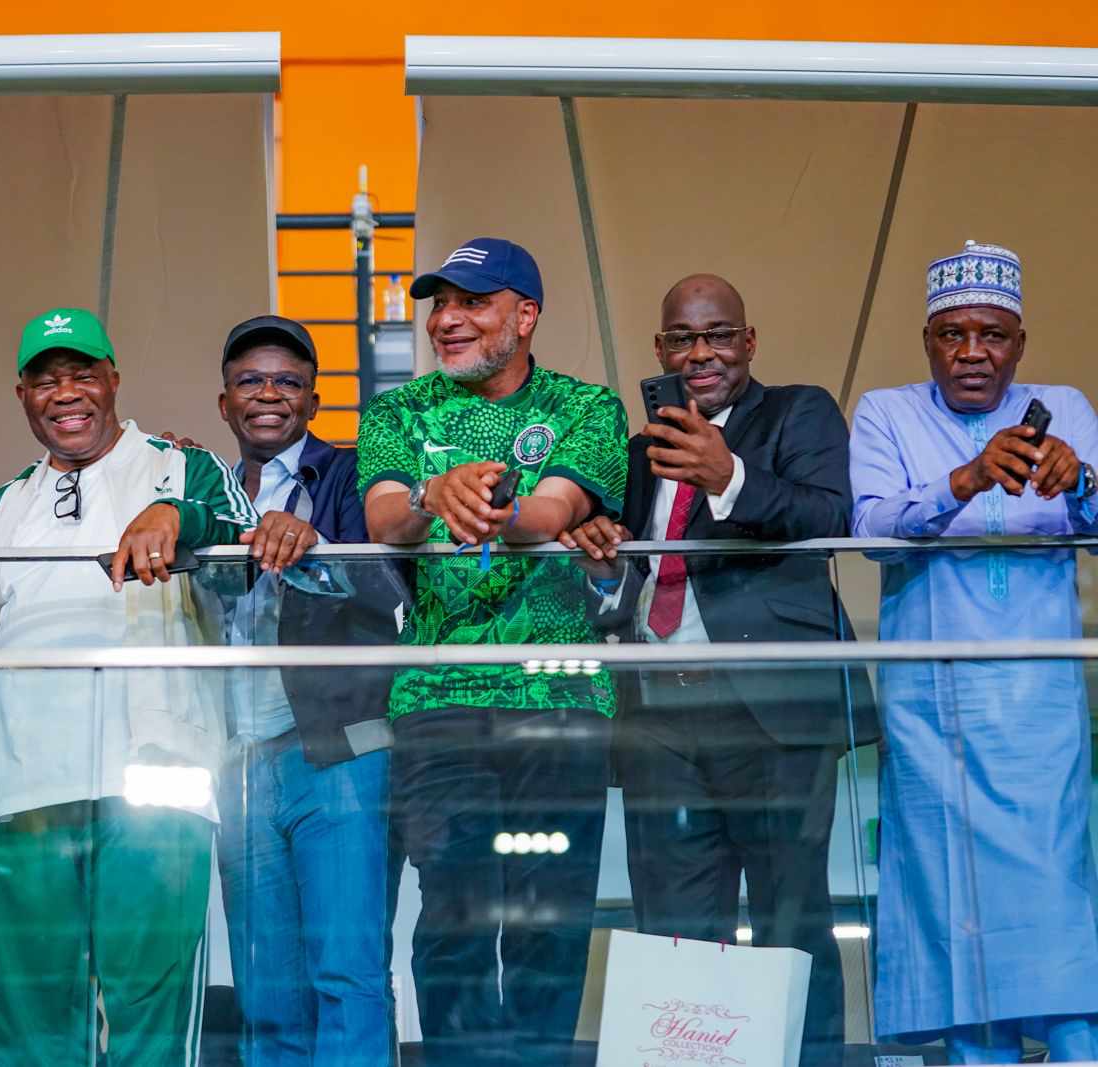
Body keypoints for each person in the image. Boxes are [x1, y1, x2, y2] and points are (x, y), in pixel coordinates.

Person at [563, 274, 878, 1067]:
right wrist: (603, 566)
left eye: (718, 335)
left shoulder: (799, 412)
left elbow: (829, 514)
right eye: (682, 338)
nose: (701, 353)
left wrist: (727, 474)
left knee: (791, 918)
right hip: (658, 715)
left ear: (749, 342)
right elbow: (629, 577)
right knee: (672, 930)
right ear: (660, 349)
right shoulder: (641, 451)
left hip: (773, 707)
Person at [355, 237, 627, 1065]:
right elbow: (383, 520)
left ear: (525, 314)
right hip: (437, 703)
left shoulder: (587, 406)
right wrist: (431, 493)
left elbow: (554, 511)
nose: (448, 319)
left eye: (472, 302)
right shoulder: (397, 413)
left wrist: (497, 509)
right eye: (440, 304)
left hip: (558, 696)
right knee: (453, 918)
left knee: (552, 918)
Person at [0, 307, 257, 1066]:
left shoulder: (181, 466)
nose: (66, 393)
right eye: (46, 380)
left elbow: (246, 552)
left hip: (152, 780)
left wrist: (177, 514)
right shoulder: (0, 508)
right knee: (30, 1015)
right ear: (22, 396)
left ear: (113, 380)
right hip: (27, 790)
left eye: (82, 374)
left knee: (150, 1011)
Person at [849, 241, 1098, 1063]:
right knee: (948, 891)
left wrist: (1082, 481)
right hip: (934, 705)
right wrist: (965, 479)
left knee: (1055, 883)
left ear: (1019, 342)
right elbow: (869, 530)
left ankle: (1077, 1052)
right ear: (926, 340)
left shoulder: (1064, 406)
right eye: (952, 334)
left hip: (1041, 704)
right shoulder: (886, 412)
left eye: (991, 334)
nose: (971, 352)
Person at [211, 314, 395, 1066]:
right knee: (265, 992)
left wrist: (318, 547)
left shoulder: (350, 475)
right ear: (224, 402)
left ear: (314, 402)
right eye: (250, 380)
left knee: (348, 975)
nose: (268, 394)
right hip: (236, 760)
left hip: (335, 751)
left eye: (288, 382)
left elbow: (391, 592)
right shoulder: (205, 490)